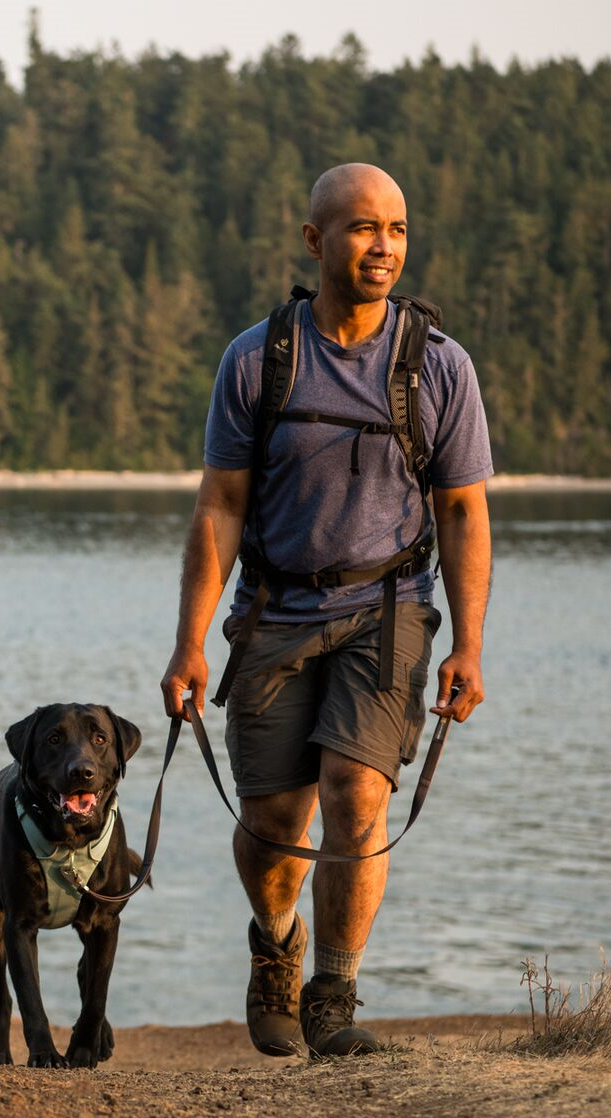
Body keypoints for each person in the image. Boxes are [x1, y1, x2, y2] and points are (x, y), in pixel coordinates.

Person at [159, 163, 493, 1057]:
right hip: (274, 609)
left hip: (389, 609)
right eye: (362, 227)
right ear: (315, 240)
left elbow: (464, 511)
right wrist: (190, 643)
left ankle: (334, 996)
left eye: (398, 229)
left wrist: (468, 644)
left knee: (356, 795)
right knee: (273, 826)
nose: (384, 245)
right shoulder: (257, 359)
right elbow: (221, 505)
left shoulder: (440, 366)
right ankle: (277, 945)